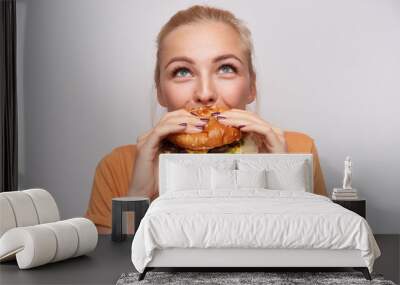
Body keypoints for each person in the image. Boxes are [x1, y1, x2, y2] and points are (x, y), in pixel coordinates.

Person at [85, 5, 327, 234]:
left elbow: (319, 256)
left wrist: (284, 178)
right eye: (182, 71)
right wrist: (138, 194)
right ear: (160, 90)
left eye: (225, 68)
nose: (205, 94)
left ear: (251, 86)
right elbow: (116, 270)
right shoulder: (119, 166)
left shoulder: (297, 151)